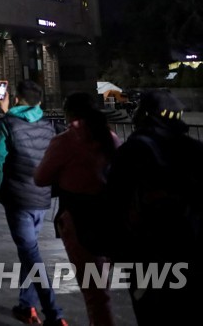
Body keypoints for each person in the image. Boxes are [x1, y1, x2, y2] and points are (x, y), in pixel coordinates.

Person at [106, 89, 203, 324]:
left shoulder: (133, 151)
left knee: (152, 312)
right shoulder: (195, 149)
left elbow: (114, 200)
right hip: (191, 247)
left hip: (147, 252)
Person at [34, 92, 119, 326]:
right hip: (110, 218)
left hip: (78, 219)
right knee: (101, 288)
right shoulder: (110, 137)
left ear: (69, 112)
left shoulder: (66, 140)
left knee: (94, 294)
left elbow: (41, 177)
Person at [0, 80, 66, 326]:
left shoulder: (7, 124)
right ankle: (26, 306)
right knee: (28, 253)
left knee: (32, 256)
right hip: (41, 199)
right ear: (40, 102)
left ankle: (54, 314)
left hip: (18, 199)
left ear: (17, 99)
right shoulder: (48, 126)